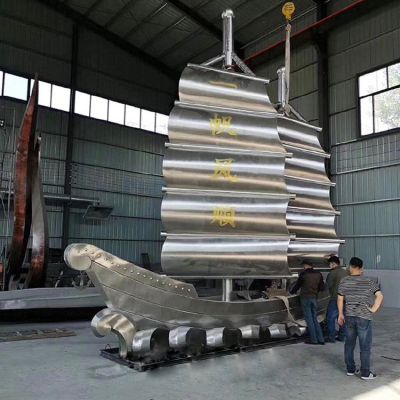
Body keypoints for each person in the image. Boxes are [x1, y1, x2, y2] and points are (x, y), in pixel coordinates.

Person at [338, 257, 384, 380]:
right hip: (364, 316)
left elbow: (340, 299)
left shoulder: (344, 281)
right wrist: (373, 309)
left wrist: (340, 314)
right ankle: (365, 373)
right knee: (365, 346)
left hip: (349, 316)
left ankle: (350, 369)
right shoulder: (369, 281)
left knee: (349, 344)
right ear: (361, 268)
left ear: (350, 267)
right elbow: (379, 296)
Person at [290, 260, 325, 345]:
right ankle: (321, 339)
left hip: (305, 299)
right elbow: (322, 287)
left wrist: (291, 292)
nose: (303, 267)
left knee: (309, 319)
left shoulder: (303, 274)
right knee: (314, 318)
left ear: (306, 265)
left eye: (304, 265)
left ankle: (314, 340)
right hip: (314, 298)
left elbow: (297, 285)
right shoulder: (318, 274)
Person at [325, 255, 348, 342]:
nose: (329, 266)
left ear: (333, 264)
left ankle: (331, 337)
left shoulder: (332, 273)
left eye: (330, 264)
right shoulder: (346, 272)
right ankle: (342, 336)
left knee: (330, 318)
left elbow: (328, 286)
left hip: (335, 298)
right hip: (345, 299)